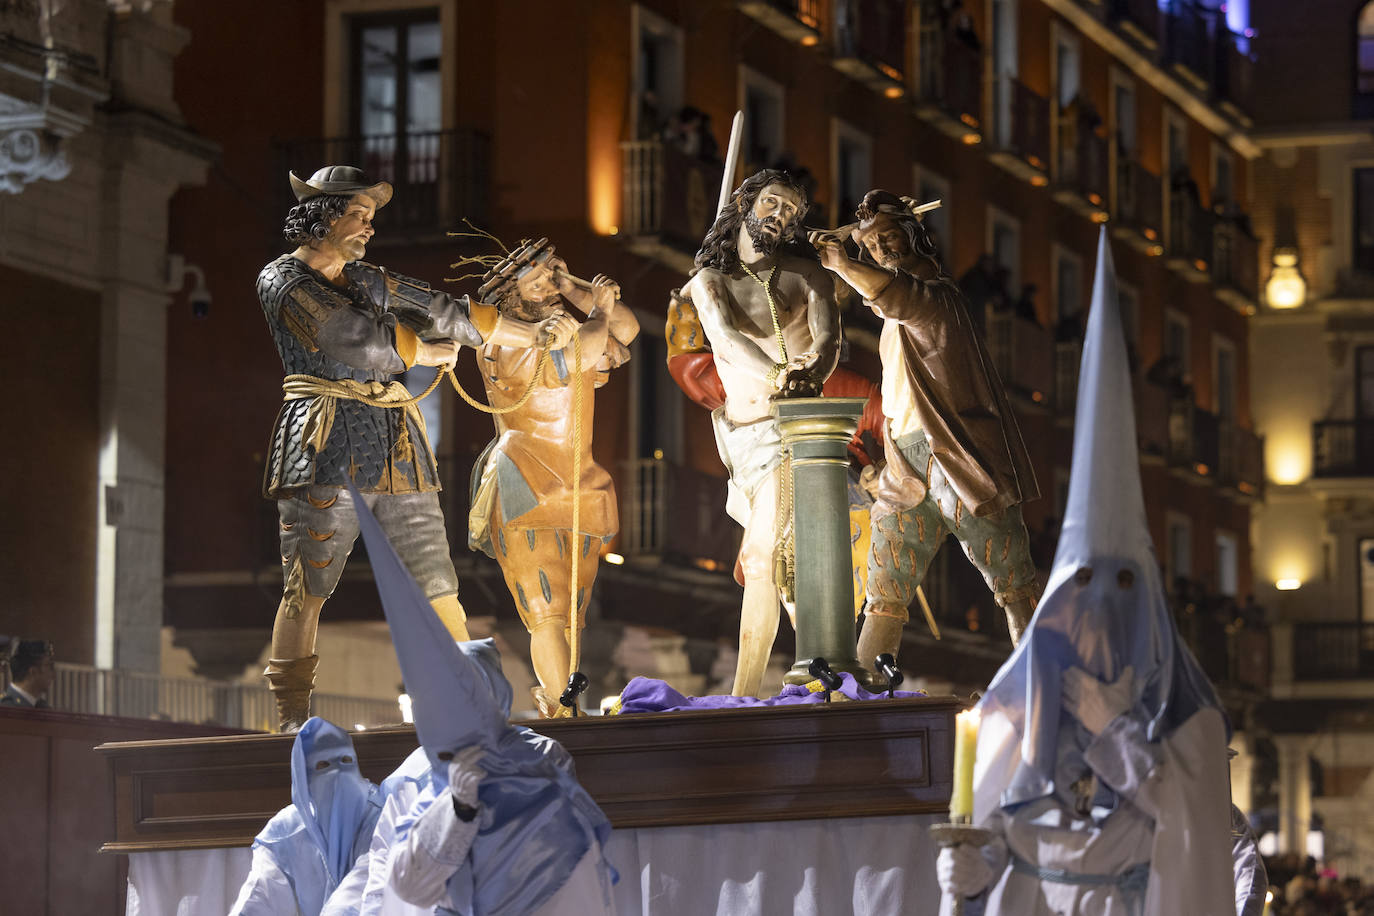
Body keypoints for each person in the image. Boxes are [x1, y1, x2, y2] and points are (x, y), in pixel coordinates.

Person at [935, 230, 1234, 916]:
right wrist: (964, 872)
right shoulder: (1014, 711)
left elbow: (1191, 841)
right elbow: (992, 845)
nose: (1098, 609)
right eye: (1082, 587)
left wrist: (1117, 731)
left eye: (1122, 586)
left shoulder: (1190, 724)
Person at [257, 166, 576, 729]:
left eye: (369, 218)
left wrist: (533, 334)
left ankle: (466, 704)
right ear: (321, 217)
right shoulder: (282, 281)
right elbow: (351, 340)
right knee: (308, 582)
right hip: (322, 439)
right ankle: (290, 716)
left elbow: (444, 310)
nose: (366, 228)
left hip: (395, 443)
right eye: (357, 215)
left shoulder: (369, 279)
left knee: (436, 580)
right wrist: (423, 352)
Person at [349, 480, 617, 915]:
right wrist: (453, 812)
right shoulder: (412, 774)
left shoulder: (542, 757)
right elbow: (390, 876)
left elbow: (573, 849)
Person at [809, 190, 1041, 672]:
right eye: (872, 245)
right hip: (904, 462)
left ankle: (1037, 682)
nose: (881, 250)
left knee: (1011, 579)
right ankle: (862, 690)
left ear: (913, 235)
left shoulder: (938, 298)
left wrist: (842, 262)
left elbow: (897, 296)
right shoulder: (892, 308)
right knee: (884, 586)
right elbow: (880, 300)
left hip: (956, 452)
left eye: (889, 238)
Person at [677, 168, 841, 696]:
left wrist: (807, 374)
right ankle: (829, 672)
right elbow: (722, 340)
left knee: (761, 556)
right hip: (739, 441)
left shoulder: (808, 277)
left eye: (791, 212)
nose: (781, 216)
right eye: (773, 203)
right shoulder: (708, 282)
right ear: (746, 202)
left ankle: (746, 693)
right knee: (778, 564)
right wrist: (778, 373)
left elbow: (828, 340)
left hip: (790, 430)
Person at [467, 242, 639, 717]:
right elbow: (587, 349)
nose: (546, 287)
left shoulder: (561, 331)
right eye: (536, 280)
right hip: (525, 477)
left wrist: (572, 287)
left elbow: (625, 330)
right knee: (546, 606)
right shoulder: (506, 343)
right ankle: (563, 711)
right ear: (510, 296)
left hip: (576, 481)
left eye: (550, 276)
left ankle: (564, 705)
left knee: (574, 613)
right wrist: (597, 309)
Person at [230, 718, 383, 916]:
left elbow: (370, 883)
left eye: (346, 761)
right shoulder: (284, 832)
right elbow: (260, 895)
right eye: (324, 765)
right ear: (306, 782)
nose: (337, 773)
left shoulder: (382, 814)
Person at [1, 639, 54, 708]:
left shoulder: (43, 707)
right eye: (49, 666)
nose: (53, 676)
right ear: (33, 672)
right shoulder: (5, 708)